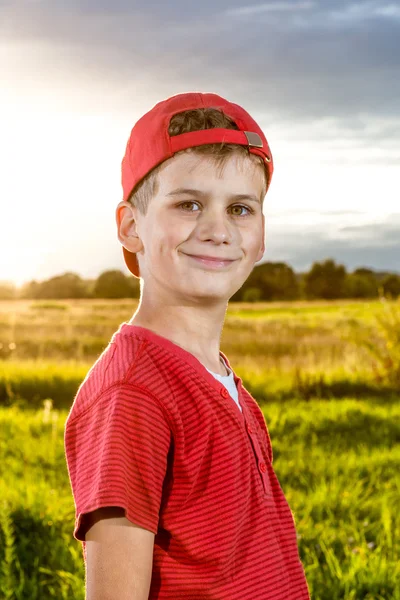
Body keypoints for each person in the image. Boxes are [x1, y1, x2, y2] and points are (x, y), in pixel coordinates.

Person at [64, 92, 310, 600]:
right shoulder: (132, 392)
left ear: (261, 237)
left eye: (241, 208)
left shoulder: (217, 375)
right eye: (189, 204)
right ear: (131, 227)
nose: (218, 230)